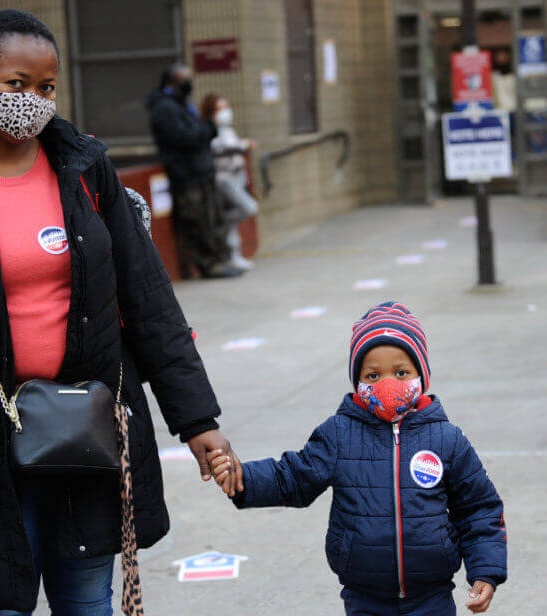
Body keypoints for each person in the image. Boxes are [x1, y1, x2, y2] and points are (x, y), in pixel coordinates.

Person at [0, 9, 242, 615]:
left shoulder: (85, 169)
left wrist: (198, 421)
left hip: (88, 434)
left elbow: (148, 301)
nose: (33, 100)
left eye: (46, 87)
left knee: (87, 602)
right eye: (16, 83)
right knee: (0, 604)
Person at [209, 302, 507, 615]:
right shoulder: (340, 434)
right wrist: (241, 477)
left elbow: (479, 508)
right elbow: (293, 478)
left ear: (422, 375)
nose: (388, 384)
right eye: (373, 374)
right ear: (358, 380)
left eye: (401, 372)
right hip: (364, 596)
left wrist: (486, 569)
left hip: (431, 594)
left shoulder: (446, 439)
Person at [147, 64, 241, 279]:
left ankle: (220, 260)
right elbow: (185, 138)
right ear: (172, 81)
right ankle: (209, 264)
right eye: (184, 79)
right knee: (198, 223)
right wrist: (209, 128)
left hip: (201, 172)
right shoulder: (165, 108)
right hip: (186, 175)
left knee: (212, 220)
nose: (189, 83)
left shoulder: (182, 104)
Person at [201, 94, 259, 270]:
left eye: (226, 107)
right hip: (224, 180)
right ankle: (221, 224)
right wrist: (244, 145)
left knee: (234, 220)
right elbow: (223, 147)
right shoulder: (209, 130)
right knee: (248, 208)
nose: (226, 112)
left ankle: (234, 256)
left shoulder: (228, 130)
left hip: (236, 177)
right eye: (220, 109)